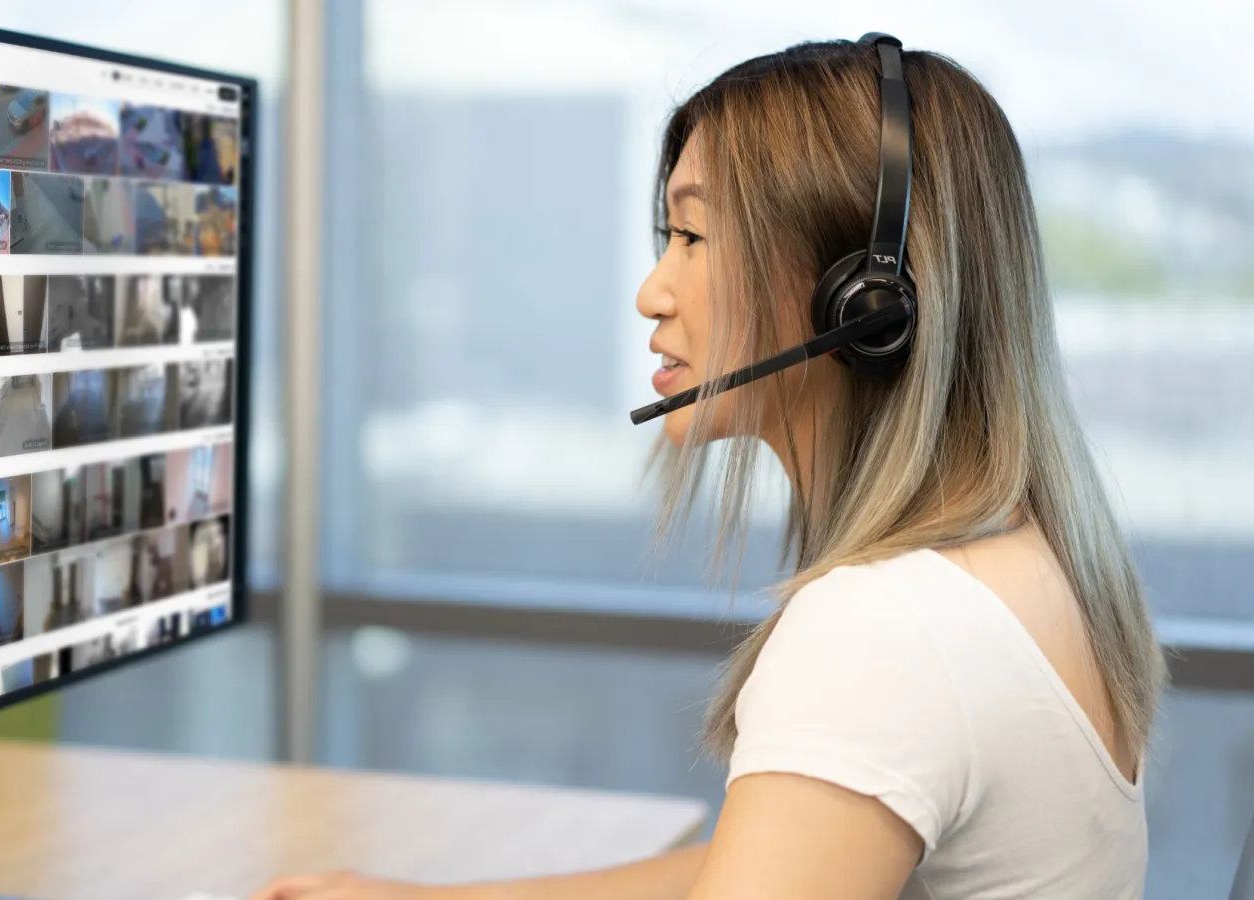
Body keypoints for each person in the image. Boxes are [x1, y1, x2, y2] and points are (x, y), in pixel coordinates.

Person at [252, 35, 1164, 900]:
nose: (653, 292)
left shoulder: (885, 628)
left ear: (863, 299)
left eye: (692, 237)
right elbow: (769, 857)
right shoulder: (1012, 559)